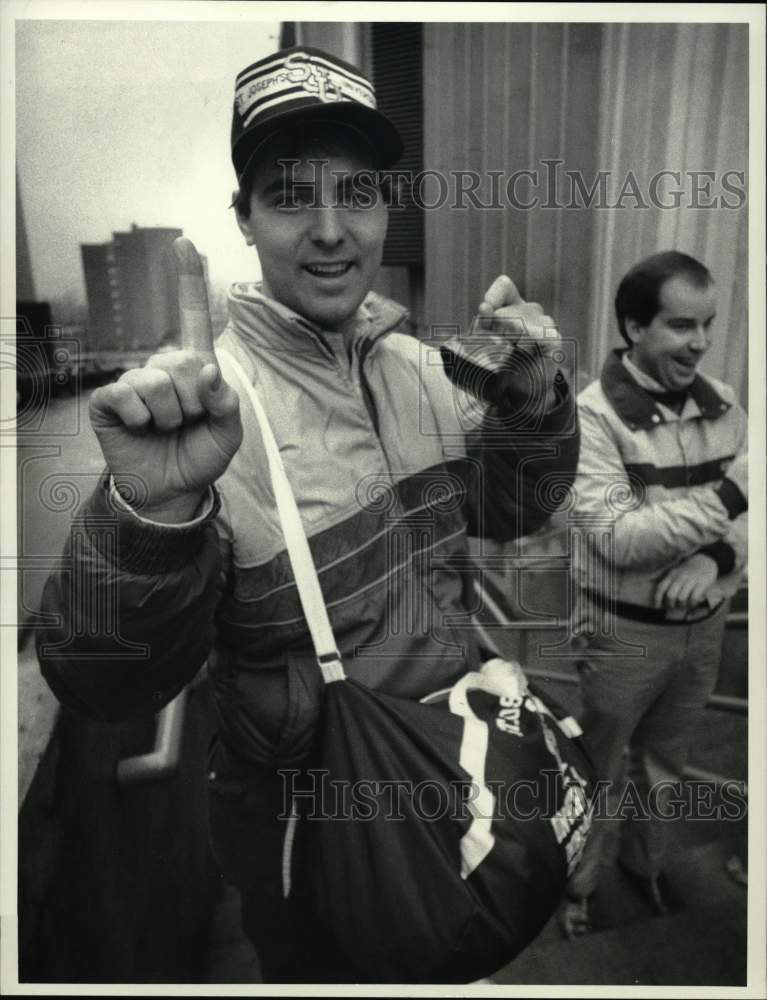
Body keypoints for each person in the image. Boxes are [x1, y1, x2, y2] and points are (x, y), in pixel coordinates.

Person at [37, 46, 580, 982]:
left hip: (456, 775)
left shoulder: (419, 366)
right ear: (243, 218)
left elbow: (508, 510)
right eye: (290, 195)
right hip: (315, 835)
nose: (331, 230)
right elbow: (100, 682)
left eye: (357, 194)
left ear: (385, 208)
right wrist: (149, 513)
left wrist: (534, 403)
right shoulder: (206, 412)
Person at [560, 250, 748, 938]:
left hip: (703, 624)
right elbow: (619, 538)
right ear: (634, 327)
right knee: (600, 769)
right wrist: (727, 498)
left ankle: (645, 870)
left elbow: (753, 515)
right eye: (679, 325)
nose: (698, 342)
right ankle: (577, 889)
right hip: (622, 634)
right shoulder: (591, 417)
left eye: (706, 324)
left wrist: (717, 555)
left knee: (664, 763)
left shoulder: (724, 404)